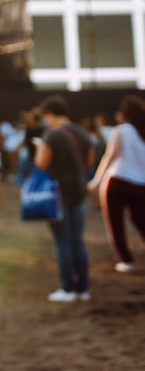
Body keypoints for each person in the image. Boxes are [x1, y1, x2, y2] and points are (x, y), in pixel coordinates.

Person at [35, 95, 94, 302]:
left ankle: (67, 289)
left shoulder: (51, 136)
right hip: (78, 192)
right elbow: (89, 162)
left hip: (58, 195)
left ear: (50, 114)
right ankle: (83, 289)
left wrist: (38, 149)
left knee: (62, 242)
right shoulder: (81, 132)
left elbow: (41, 164)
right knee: (77, 241)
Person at [87, 95, 145, 273]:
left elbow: (110, 155)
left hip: (118, 181)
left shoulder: (121, 130)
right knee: (141, 220)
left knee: (115, 223)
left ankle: (126, 260)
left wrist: (97, 180)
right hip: (140, 184)